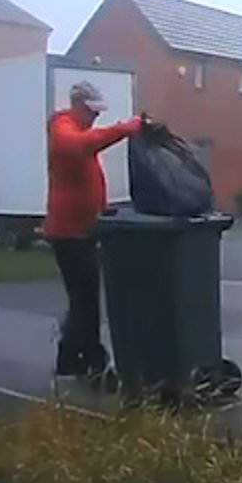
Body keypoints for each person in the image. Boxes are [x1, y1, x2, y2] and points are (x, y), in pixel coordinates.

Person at [44, 81, 142, 381]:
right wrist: (125, 129)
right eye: (92, 111)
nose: (96, 118)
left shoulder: (78, 129)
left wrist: (101, 208)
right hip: (68, 231)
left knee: (84, 299)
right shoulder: (63, 127)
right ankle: (85, 359)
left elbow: (85, 171)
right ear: (78, 105)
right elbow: (79, 147)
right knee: (84, 299)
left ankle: (77, 359)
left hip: (83, 227)